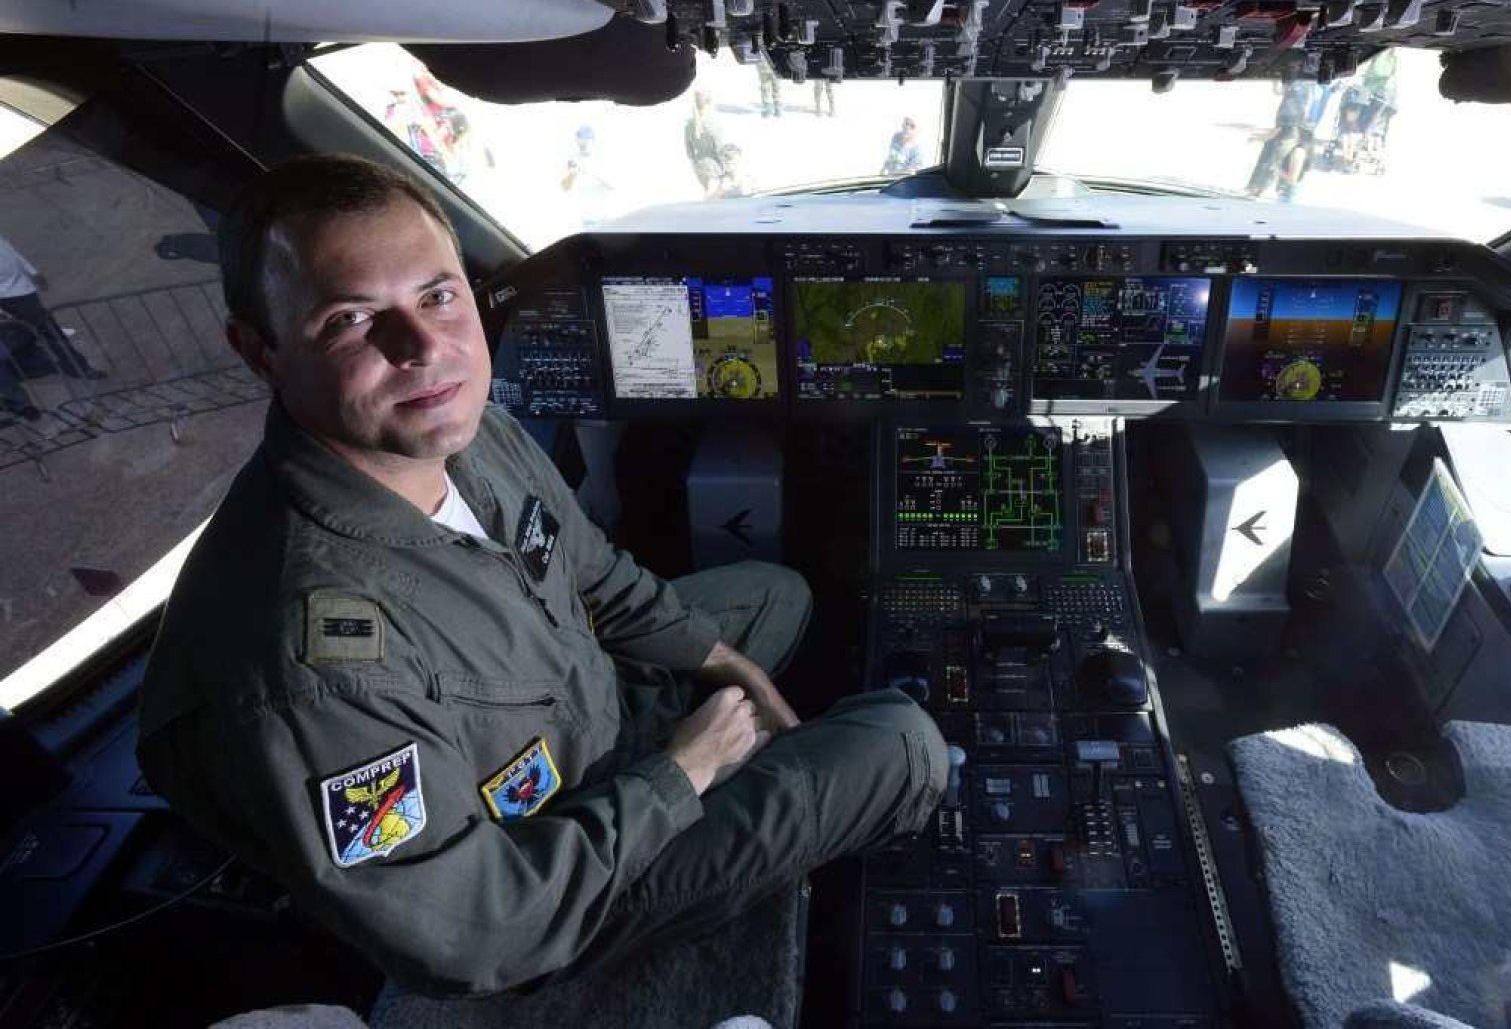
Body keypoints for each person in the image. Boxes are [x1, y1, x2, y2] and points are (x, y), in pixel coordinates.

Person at [135, 155, 947, 996]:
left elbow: (598, 579)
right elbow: (480, 933)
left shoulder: (468, 428)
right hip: (548, 884)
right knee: (904, 744)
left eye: (439, 294)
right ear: (258, 350)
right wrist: (681, 773)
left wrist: (733, 670)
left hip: (578, 712)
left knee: (780, 593)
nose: (423, 348)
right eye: (351, 318)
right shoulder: (307, 667)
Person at [0, 232, 105, 382]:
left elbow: (9, 251)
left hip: (22, 288)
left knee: (32, 330)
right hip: (7, 294)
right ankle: (79, 368)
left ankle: (28, 365)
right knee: (47, 330)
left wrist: (33, 272)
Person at [684, 91, 728, 192]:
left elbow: (689, 150)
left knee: (708, 191)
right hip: (714, 165)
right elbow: (719, 149)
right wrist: (725, 167)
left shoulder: (689, 126)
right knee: (715, 195)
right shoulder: (713, 126)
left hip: (698, 165)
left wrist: (695, 162)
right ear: (709, 105)